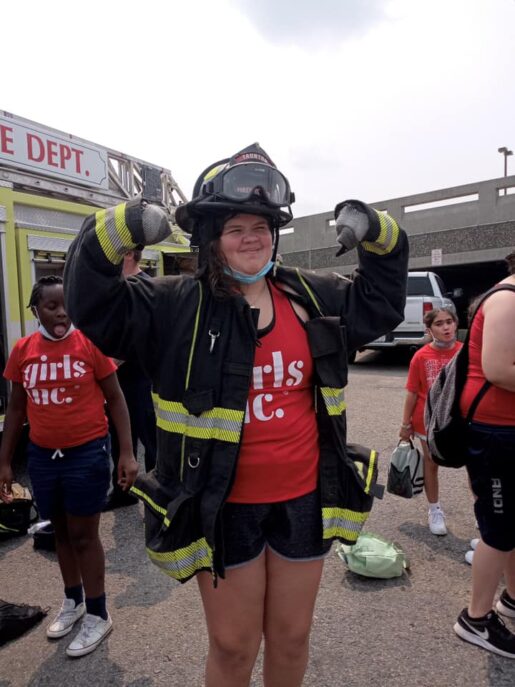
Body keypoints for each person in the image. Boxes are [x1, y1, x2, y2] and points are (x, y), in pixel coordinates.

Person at [63, 143, 408, 686]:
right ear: (209, 240)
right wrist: (127, 222)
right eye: (235, 228)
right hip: (222, 510)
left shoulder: (314, 298)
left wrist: (376, 228)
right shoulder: (170, 306)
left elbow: (385, 296)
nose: (253, 237)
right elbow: (89, 299)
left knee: (292, 637)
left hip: (303, 500)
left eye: (262, 226)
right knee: (232, 645)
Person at [0, 276, 138, 658]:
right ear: (36, 311)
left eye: (66, 306)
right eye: (51, 306)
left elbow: (116, 398)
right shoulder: (23, 351)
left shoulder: (90, 345)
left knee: (83, 535)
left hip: (87, 454)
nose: (61, 313)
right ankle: (73, 601)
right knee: (59, 532)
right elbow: (16, 409)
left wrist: (126, 453)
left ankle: (98, 612)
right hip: (44, 457)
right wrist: (5, 462)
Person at [453, 252, 515, 658]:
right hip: (496, 434)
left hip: (505, 431)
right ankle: (474, 620)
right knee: (497, 529)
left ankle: (511, 599)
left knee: (511, 523)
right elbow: (498, 367)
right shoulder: (509, 299)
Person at [399, 307, 462, 535]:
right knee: (431, 463)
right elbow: (412, 392)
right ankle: (434, 509)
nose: (445, 327)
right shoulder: (421, 356)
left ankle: (480, 509)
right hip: (428, 421)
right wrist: (405, 424)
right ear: (429, 329)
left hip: (460, 420)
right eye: (439, 323)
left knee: (475, 464)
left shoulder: (466, 352)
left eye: (449, 322)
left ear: (455, 324)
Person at [104, 249, 157, 510]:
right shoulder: (122, 286)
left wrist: (110, 363)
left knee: (150, 438)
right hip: (119, 376)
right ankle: (123, 491)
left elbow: (142, 333)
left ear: (127, 254)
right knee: (120, 435)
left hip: (139, 376)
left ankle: (156, 493)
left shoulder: (143, 286)